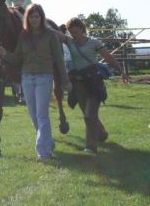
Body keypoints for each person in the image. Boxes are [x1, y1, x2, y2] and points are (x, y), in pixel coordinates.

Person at [0, 4, 72, 162]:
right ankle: (48, 143)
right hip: (27, 78)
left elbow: (59, 59)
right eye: (31, 16)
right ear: (27, 19)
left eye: (37, 16)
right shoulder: (23, 36)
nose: (34, 19)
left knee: (41, 114)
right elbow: (17, 57)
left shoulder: (50, 35)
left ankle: (42, 152)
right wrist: (5, 54)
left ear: (41, 17)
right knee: (33, 115)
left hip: (44, 77)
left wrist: (65, 80)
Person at [53, 17, 129, 155]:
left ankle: (91, 147)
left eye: (75, 31)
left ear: (82, 29)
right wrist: (32, 18)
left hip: (94, 82)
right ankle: (102, 134)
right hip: (78, 84)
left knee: (89, 115)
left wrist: (122, 71)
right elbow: (52, 32)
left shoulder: (94, 42)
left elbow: (108, 58)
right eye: (71, 32)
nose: (73, 34)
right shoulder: (69, 42)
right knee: (88, 114)